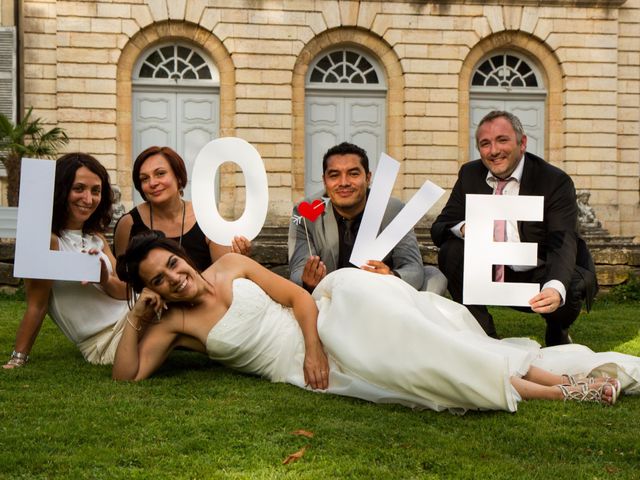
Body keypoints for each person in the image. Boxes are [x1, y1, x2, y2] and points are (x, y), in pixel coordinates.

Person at [112, 231, 640, 413]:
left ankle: (561, 384)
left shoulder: (229, 266)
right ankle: (568, 389)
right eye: (158, 280)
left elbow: (298, 297)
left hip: (326, 320)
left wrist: (316, 348)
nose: (174, 279)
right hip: (295, 366)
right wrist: (138, 315)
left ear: (182, 256)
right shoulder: (172, 325)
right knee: (415, 370)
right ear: (153, 289)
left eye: (173, 265)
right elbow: (126, 379)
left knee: (418, 335)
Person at [431, 111, 598, 345]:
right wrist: (466, 228)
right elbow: (440, 227)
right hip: (492, 271)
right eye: (485, 143)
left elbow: (564, 239)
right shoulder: (470, 174)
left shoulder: (554, 180)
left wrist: (554, 287)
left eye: (502, 140)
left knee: (567, 285)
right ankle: (485, 336)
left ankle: (557, 330)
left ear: (522, 143)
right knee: (451, 250)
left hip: (540, 269)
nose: (494, 150)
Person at [3, 153, 129, 368]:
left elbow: (124, 291)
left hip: (130, 316)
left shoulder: (96, 239)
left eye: (95, 191)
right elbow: (37, 305)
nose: (88, 199)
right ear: (60, 190)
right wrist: (18, 357)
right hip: (104, 340)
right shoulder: (48, 242)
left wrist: (104, 279)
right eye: (78, 188)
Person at [288, 142, 447, 294]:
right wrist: (308, 280)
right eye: (334, 175)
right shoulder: (306, 213)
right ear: (324, 180)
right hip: (329, 298)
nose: (344, 183)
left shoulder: (392, 210)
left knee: (434, 276)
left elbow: (413, 268)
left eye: (353, 174)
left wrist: (392, 276)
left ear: (368, 177)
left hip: (380, 296)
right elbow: (297, 271)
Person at [113, 146, 251, 270]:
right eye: (144, 179)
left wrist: (237, 259)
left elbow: (223, 275)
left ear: (178, 177)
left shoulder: (206, 219)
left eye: (160, 173)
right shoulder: (128, 224)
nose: (153, 183)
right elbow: (122, 282)